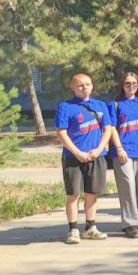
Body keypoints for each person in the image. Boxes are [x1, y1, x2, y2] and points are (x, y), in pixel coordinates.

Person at [56, 73, 113, 244]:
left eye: (87, 84)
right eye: (80, 85)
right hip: (73, 157)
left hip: (96, 155)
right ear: (72, 87)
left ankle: (90, 227)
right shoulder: (65, 107)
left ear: (92, 86)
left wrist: (99, 149)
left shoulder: (100, 105)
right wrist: (76, 152)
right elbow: (61, 133)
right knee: (73, 194)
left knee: (92, 193)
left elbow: (108, 128)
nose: (84, 87)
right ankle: (73, 229)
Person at [108, 72, 138, 239]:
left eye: (134, 83)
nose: (131, 86)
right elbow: (111, 128)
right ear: (122, 86)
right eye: (127, 83)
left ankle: (137, 220)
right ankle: (129, 223)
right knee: (127, 186)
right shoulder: (115, 105)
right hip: (123, 152)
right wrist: (119, 148)